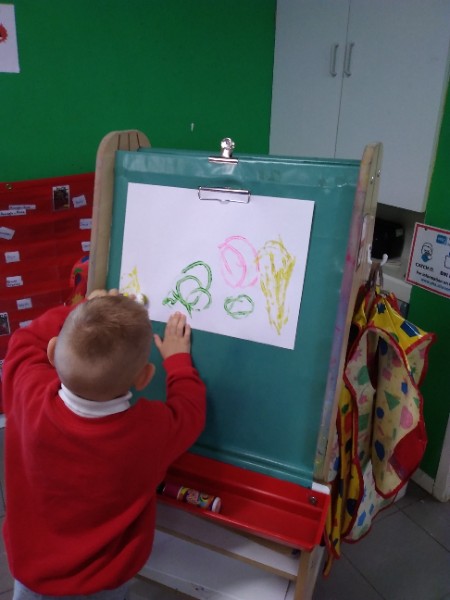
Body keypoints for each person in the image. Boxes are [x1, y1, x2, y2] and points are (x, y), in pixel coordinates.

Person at [1, 289, 206, 599]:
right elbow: (190, 411)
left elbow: (24, 340)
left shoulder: (26, 389)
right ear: (145, 377)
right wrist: (178, 361)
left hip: (33, 578)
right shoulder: (150, 431)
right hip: (105, 581)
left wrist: (84, 308)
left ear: (53, 351)